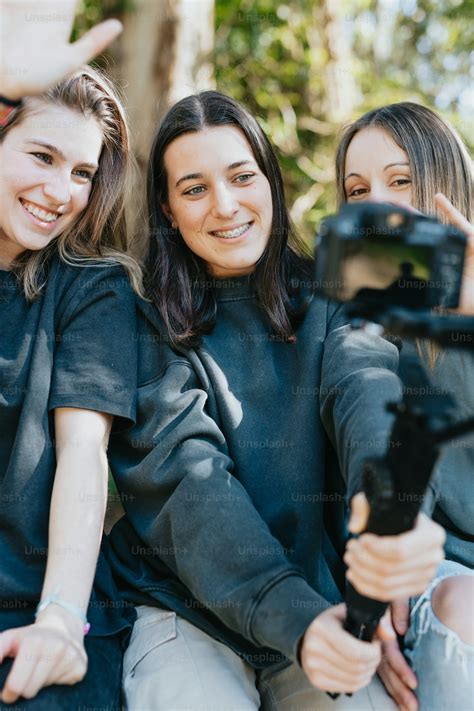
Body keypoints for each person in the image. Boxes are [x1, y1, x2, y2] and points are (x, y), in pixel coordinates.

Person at [107, 91, 445, 711]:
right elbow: (190, 489)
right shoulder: (142, 325)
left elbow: (366, 388)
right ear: (167, 209)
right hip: (188, 609)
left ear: (270, 180)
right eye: (194, 189)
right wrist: (296, 619)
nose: (226, 206)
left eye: (242, 176)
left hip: (317, 605)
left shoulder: (335, 293)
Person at [0, 2, 142, 708]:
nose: (62, 193)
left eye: (83, 172)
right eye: (42, 156)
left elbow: (84, 454)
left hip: (37, 602)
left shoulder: (93, 289)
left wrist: (59, 616)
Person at [335, 101, 474, 711]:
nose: (379, 206)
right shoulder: (354, 320)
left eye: (400, 181)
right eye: (357, 190)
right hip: (435, 572)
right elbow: (366, 422)